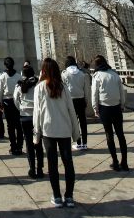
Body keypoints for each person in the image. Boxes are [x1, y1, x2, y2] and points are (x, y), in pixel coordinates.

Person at [33, 57, 80, 208]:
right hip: (64, 130)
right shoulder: (63, 87)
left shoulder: (40, 88)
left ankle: (57, 197)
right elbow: (71, 111)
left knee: (52, 165)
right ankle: (70, 196)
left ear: (44, 71)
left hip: (49, 131)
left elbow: (37, 113)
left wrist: (36, 134)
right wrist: (76, 132)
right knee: (68, 163)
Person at [92, 55, 128, 172]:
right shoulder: (114, 74)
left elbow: (94, 94)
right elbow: (121, 91)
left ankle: (115, 161)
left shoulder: (97, 76)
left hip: (104, 108)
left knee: (109, 135)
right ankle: (125, 162)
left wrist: (95, 108)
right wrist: (122, 104)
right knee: (121, 135)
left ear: (96, 65)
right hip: (117, 107)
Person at [14, 66, 44, 178]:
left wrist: (22, 109)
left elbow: (15, 100)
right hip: (36, 116)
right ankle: (40, 168)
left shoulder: (19, 85)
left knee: (29, 144)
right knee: (38, 143)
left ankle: (32, 168)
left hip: (24, 117)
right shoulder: (38, 84)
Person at [0, 57, 23, 155]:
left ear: (5, 65)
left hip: (7, 102)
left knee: (10, 126)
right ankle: (19, 147)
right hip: (17, 102)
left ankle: (13, 147)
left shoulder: (2, 76)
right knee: (18, 125)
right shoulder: (18, 76)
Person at [62, 56, 88, 150]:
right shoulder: (81, 74)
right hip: (81, 99)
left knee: (74, 122)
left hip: (71, 101)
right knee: (83, 122)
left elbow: (63, 90)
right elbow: (86, 90)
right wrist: (86, 100)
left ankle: (78, 142)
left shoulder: (64, 74)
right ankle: (85, 143)